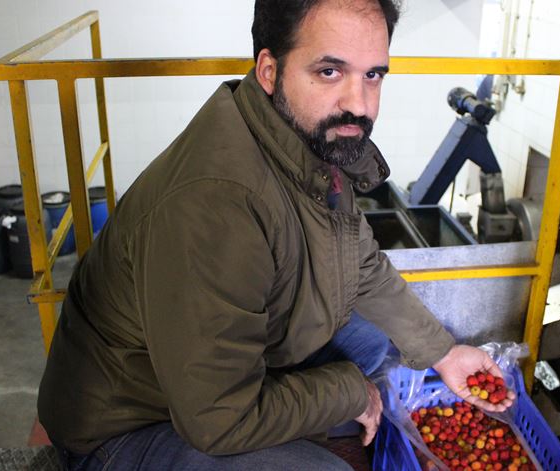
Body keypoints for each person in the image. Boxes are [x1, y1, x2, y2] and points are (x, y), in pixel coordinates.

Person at [38, 0, 514, 469]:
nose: (360, 103)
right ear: (269, 70)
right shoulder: (216, 205)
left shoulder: (308, 140)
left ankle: (294, 425)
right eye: (330, 71)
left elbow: (360, 263)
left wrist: (444, 352)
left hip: (193, 380)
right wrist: (349, 391)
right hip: (128, 423)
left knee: (368, 338)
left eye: (373, 75)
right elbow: (218, 421)